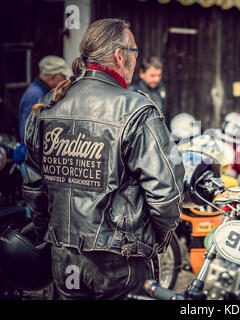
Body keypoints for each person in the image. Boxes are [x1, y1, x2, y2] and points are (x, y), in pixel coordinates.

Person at [21, 18, 185, 300]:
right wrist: (155, 243)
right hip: (121, 261)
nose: (136, 60)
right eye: (135, 52)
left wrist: (50, 237)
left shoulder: (49, 104)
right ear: (120, 56)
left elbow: (34, 189)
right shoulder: (137, 109)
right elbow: (166, 195)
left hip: (64, 258)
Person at [18, 55, 71, 143]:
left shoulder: (42, 91)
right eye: (63, 77)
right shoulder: (35, 95)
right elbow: (27, 134)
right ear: (52, 77)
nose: (65, 80)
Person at [129, 56, 168, 124]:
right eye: (152, 75)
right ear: (142, 73)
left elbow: (165, 113)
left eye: (159, 75)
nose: (157, 79)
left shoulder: (161, 88)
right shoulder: (133, 91)